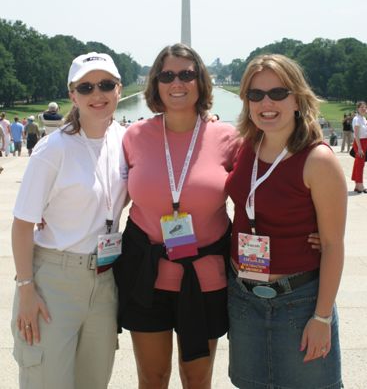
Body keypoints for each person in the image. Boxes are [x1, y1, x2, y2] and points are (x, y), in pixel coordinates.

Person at [113, 43, 239, 389]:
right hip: (146, 276)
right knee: (152, 379)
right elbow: (105, 191)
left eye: (187, 74)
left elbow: (258, 191)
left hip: (204, 278)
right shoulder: (134, 136)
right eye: (167, 75)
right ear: (155, 83)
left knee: (196, 380)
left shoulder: (228, 137)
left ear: (201, 81)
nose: (177, 82)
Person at [225, 54, 346, 389]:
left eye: (278, 93)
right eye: (256, 94)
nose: (267, 103)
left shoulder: (317, 160)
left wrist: (321, 317)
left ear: (297, 98)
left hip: (299, 301)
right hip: (244, 297)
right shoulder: (245, 146)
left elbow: (334, 245)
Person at [11, 52, 128, 389]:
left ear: (119, 90)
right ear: (72, 95)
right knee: (46, 380)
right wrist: (26, 288)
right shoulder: (53, 149)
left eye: (106, 84)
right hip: (54, 280)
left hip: (104, 280)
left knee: (94, 380)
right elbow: (22, 224)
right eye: (86, 87)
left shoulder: (123, 140)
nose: (98, 94)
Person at [351, 101, 367, 193]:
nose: (364, 109)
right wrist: (360, 148)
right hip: (359, 143)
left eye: (365, 107)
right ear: (358, 108)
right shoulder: (357, 119)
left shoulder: (363, 119)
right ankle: (360, 185)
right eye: (362, 107)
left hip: (364, 142)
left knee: (358, 164)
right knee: (360, 164)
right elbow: (356, 135)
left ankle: (357, 185)